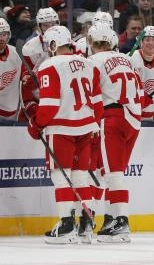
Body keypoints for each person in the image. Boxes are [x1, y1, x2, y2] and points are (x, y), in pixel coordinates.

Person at [26, 25, 103, 244]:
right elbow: (97, 106)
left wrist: (36, 124)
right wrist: (92, 125)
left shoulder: (50, 65)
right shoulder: (89, 64)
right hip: (87, 127)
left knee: (61, 175)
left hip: (61, 128)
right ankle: (85, 224)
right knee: (80, 174)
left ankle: (66, 224)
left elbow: (49, 105)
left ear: (52, 45)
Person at [87, 23, 143, 243]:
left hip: (113, 117)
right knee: (111, 171)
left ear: (92, 42)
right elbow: (141, 93)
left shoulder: (92, 61)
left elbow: (92, 93)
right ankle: (110, 219)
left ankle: (122, 220)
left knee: (112, 173)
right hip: (134, 119)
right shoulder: (127, 60)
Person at [0, 18, 23, 120]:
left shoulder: (16, 52)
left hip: (14, 110)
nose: (1, 38)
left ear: (8, 35)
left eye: (4, 34)